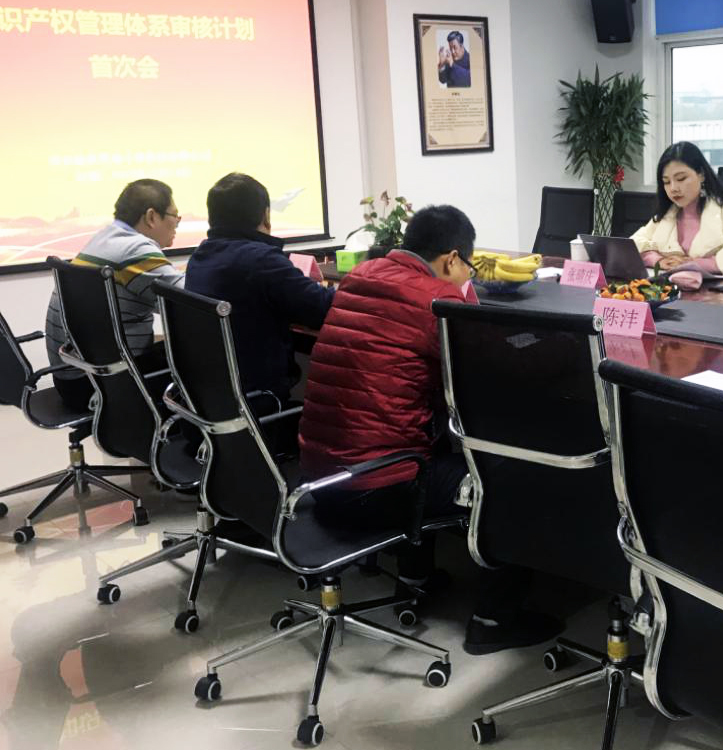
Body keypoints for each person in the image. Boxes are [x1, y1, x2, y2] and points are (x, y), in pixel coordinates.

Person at [299, 205, 561, 655]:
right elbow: (492, 370)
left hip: (319, 475)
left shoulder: (360, 276)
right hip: (376, 487)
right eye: (467, 267)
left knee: (422, 437)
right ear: (452, 258)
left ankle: (416, 577)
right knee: (510, 481)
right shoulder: (437, 299)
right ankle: (494, 620)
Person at [185, 173, 334, 404]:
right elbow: (321, 308)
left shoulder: (201, 255)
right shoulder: (260, 259)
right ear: (266, 215)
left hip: (215, 397)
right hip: (259, 397)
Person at [44, 179, 184, 412]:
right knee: (206, 362)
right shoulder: (134, 250)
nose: (177, 224)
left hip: (76, 375)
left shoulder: (105, 238)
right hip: (103, 384)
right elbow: (190, 304)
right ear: (151, 217)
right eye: (174, 216)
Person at [630, 141, 723, 290]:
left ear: (701, 175)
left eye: (681, 179)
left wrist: (698, 263)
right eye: (666, 182)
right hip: (676, 295)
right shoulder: (667, 215)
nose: (673, 188)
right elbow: (631, 246)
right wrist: (657, 260)